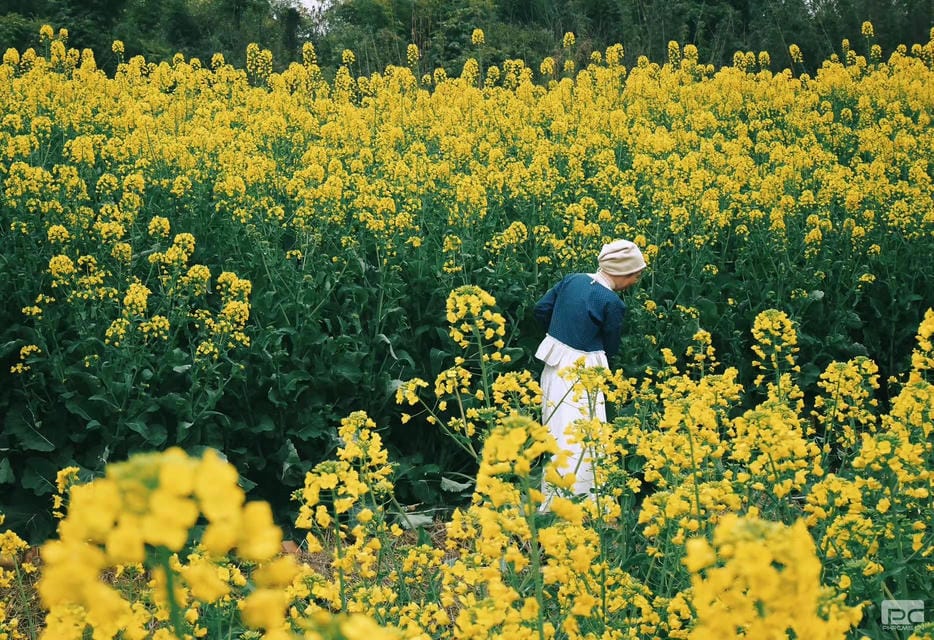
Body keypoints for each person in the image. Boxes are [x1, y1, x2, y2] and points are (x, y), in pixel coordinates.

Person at [533, 239, 645, 505]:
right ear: (623, 274)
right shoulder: (612, 302)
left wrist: (561, 331)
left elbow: (541, 309)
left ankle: (553, 498)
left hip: (554, 360)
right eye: (636, 275)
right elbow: (612, 344)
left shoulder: (572, 279)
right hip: (585, 369)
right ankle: (583, 501)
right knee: (585, 432)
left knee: (556, 428)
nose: (636, 281)